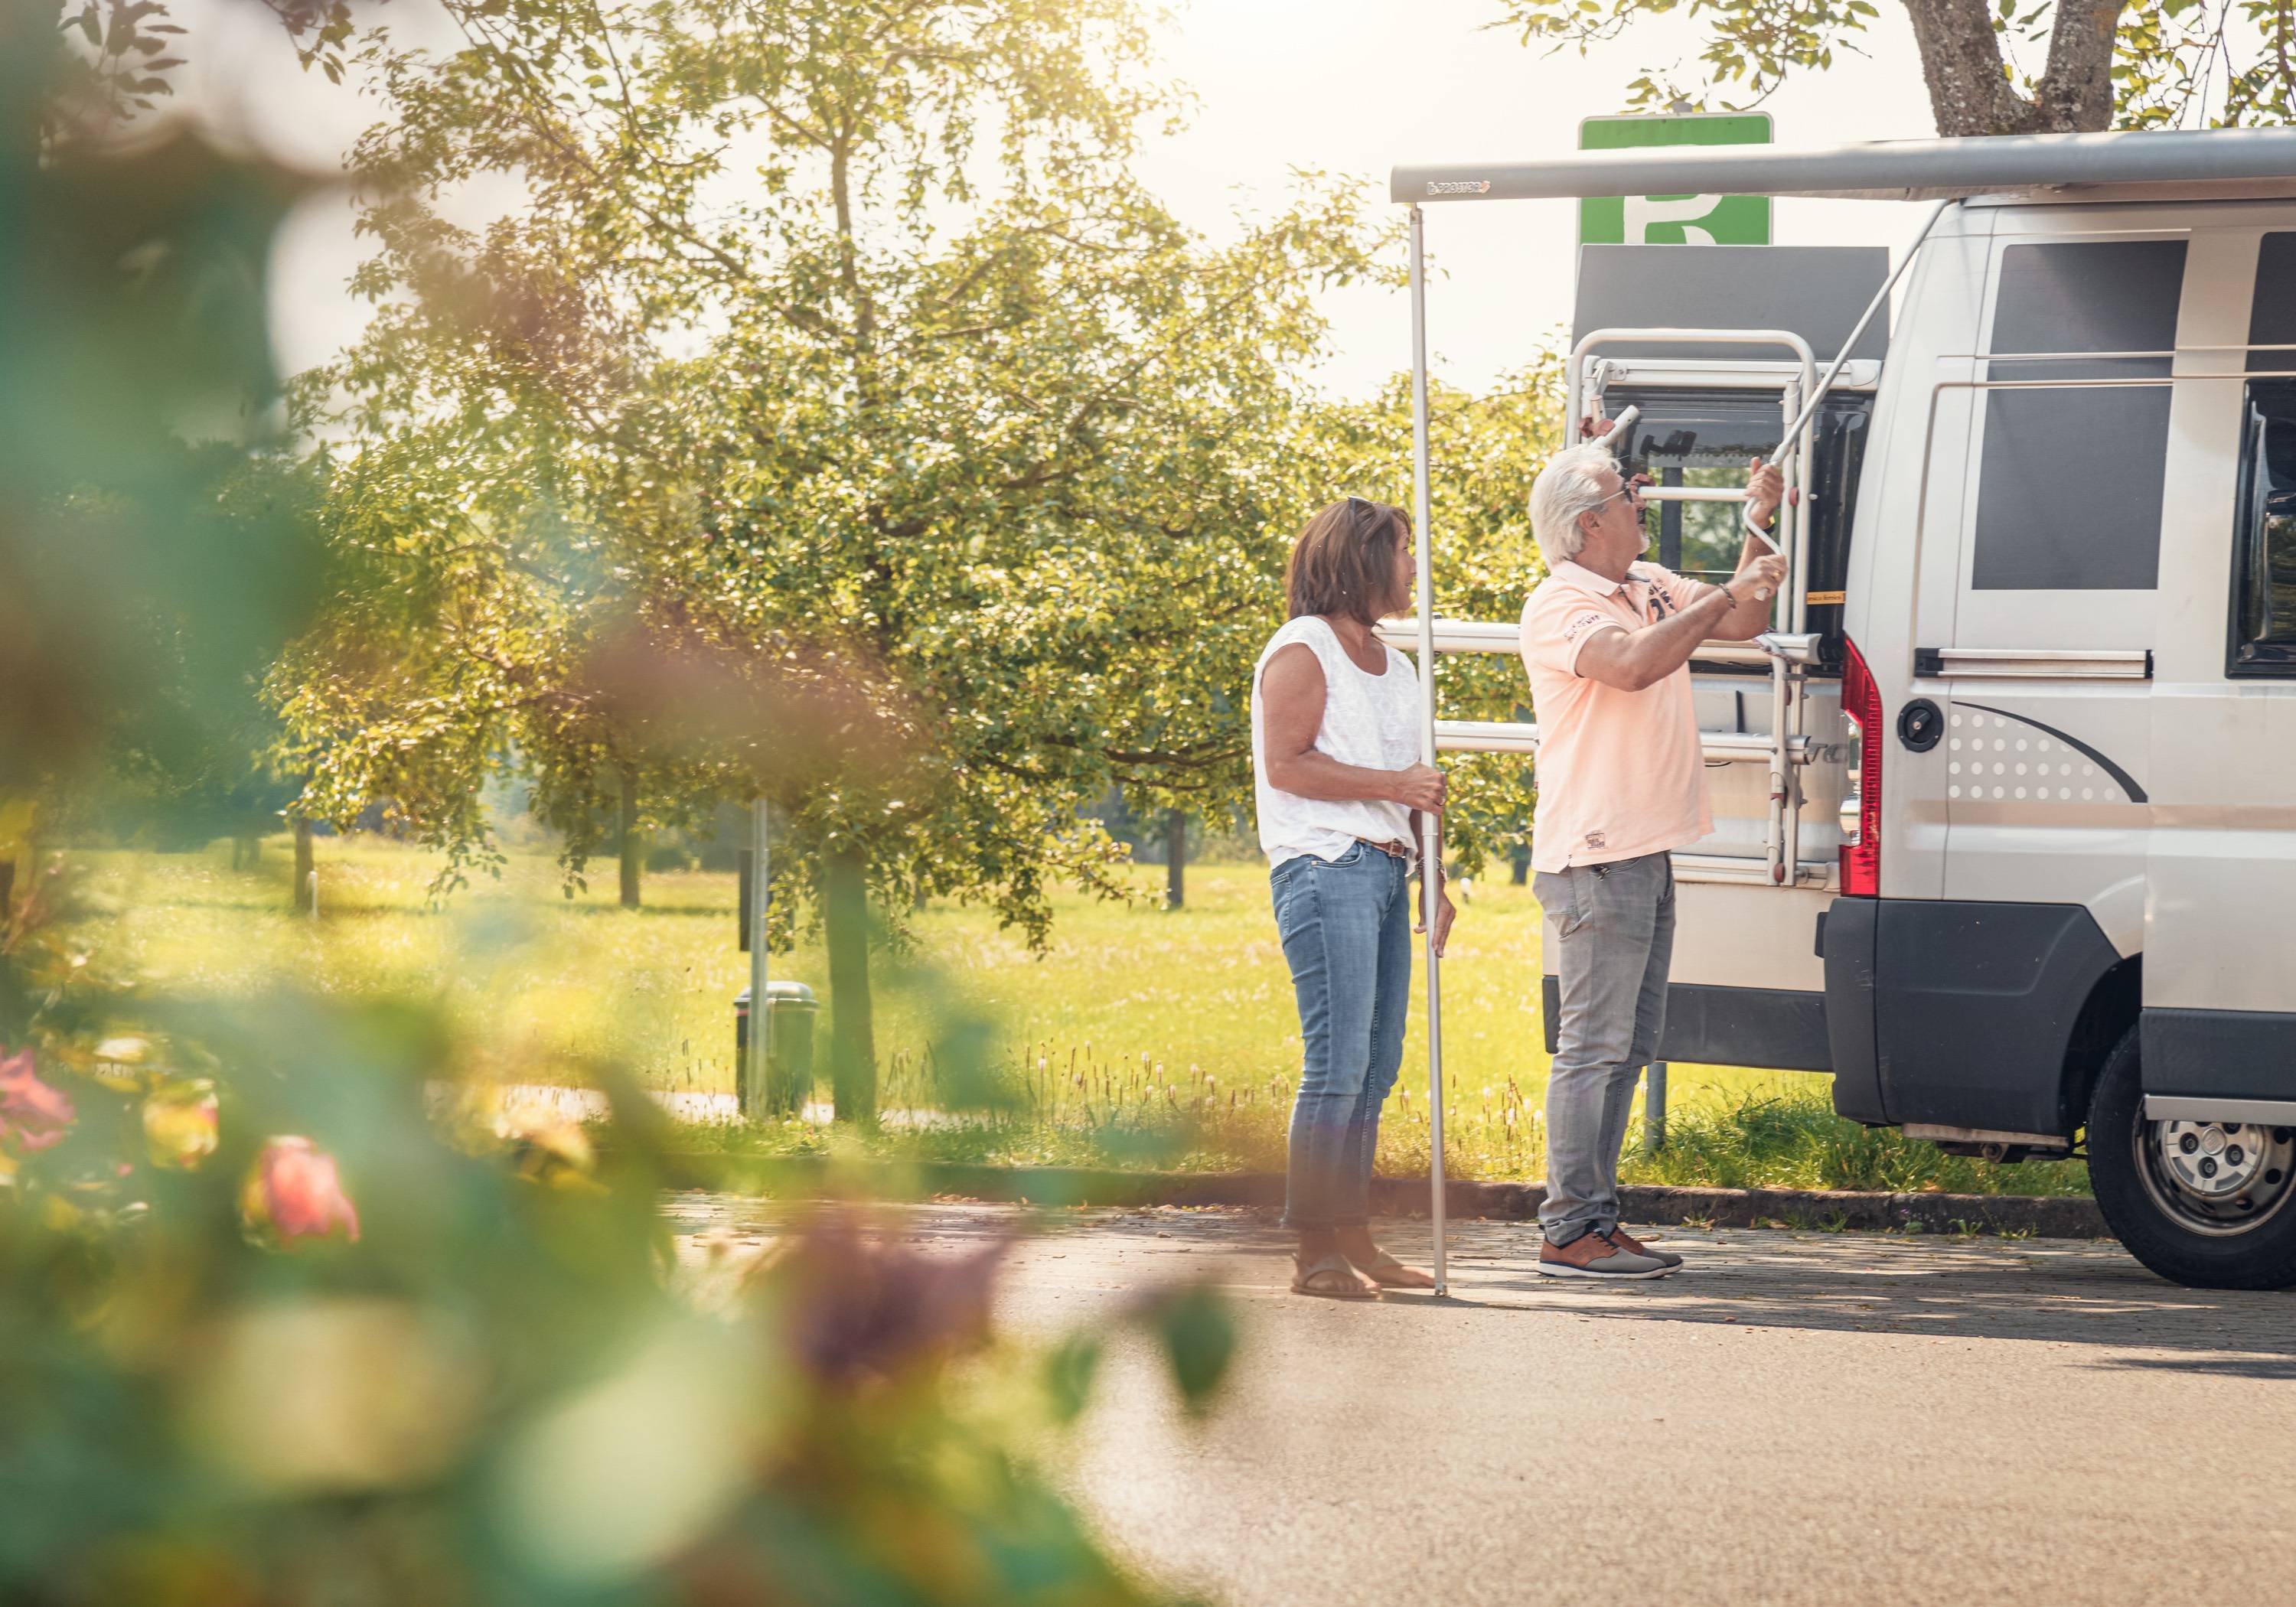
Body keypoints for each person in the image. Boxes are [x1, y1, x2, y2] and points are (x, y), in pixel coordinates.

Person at [1519, 442, 1788, 1279]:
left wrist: (1755, 524)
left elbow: (1741, 622)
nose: (1640, 499)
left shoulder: (1649, 583)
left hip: (1642, 849)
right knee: (1593, 1049)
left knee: (1628, 1047)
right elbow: (1633, 665)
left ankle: (1597, 1216)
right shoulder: (1561, 605)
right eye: (1623, 494)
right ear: (1587, 524)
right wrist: (1723, 600)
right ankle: (1568, 1227)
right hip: (1598, 854)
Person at [1252, 496, 1456, 1299]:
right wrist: (1392, 783)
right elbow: (1288, 765)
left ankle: (1355, 1235)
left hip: (1386, 871)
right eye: (1403, 551)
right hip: (1323, 868)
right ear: (1362, 559)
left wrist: (1435, 879)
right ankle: (1314, 1249)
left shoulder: (1395, 665)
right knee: (1335, 1065)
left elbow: (1419, 788)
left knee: (1375, 1066)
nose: (1413, 566)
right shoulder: (1302, 651)